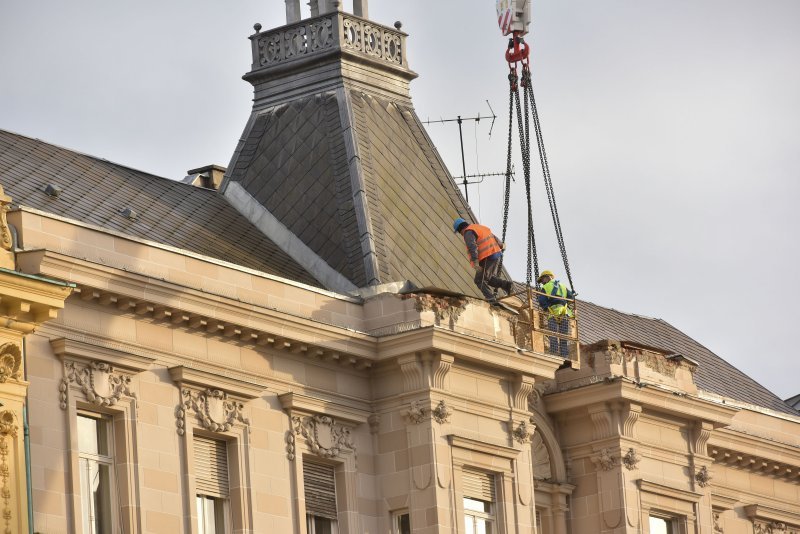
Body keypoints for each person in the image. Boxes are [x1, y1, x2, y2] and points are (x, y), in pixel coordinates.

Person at [453, 217, 513, 304]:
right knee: (487, 278)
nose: (461, 235)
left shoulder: (468, 232)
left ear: (460, 229)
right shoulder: (479, 227)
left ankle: (491, 299)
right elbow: (493, 237)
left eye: (459, 232)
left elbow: (472, 247)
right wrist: (501, 245)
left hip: (487, 256)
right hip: (495, 254)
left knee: (479, 280)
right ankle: (507, 285)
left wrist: (476, 263)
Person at [536, 270, 575, 357]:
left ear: (547, 277)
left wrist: (546, 307)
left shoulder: (546, 287)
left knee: (553, 334)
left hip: (553, 313)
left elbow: (542, 300)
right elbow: (571, 298)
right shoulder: (563, 286)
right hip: (564, 313)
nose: (542, 283)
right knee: (563, 335)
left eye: (542, 280)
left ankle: (554, 352)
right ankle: (564, 355)